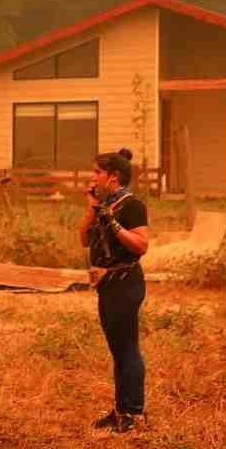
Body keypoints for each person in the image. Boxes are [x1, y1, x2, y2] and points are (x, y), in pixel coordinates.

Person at [78, 149, 151, 432]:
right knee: (117, 349)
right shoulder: (104, 205)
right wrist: (92, 209)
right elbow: (84, 240)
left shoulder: (132, 206)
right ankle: (121, 410)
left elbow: (141, 245)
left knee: (127, 347)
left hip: (126, 282)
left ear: (114, 176)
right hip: (106, 284)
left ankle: (134, 412)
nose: (93, 177)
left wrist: (111, 220)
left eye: (97, 172)